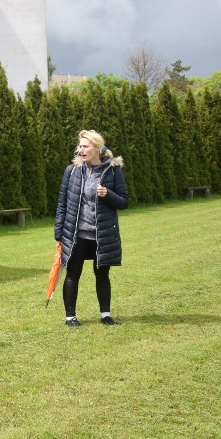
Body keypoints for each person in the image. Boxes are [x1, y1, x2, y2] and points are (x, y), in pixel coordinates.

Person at [54, 130, 129, 327]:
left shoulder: (113, 171)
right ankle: (70, 317)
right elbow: (62, 203)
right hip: (76, 234)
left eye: (85, 146)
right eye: (80, 146)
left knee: (102, 275)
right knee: (72, 274)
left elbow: (123, 201)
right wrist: (59, 232)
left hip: (102, 234)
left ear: (97, 148)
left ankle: (105, 315)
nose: (81, 150)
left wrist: (108, 194)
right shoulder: (72, 171)